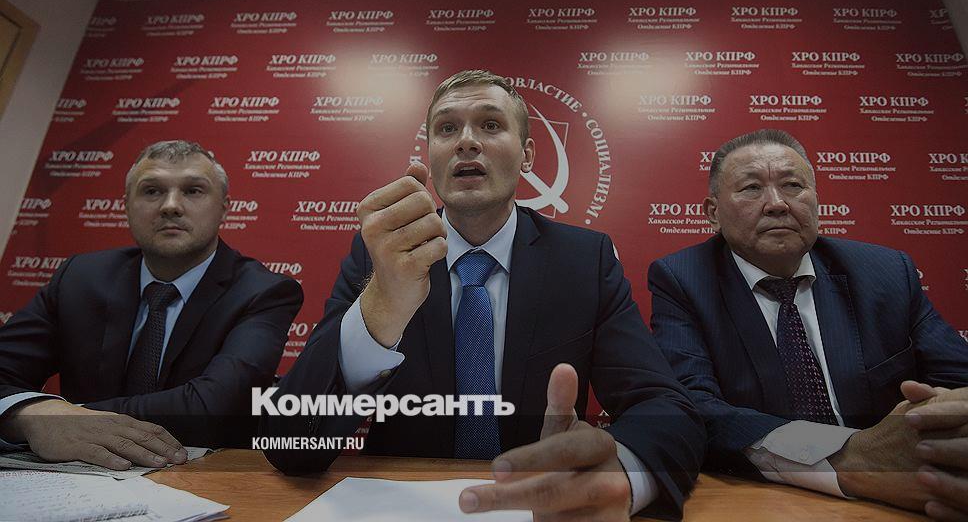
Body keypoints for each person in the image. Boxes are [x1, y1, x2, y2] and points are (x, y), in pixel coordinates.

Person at [261, 70, 705, 520]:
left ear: (527, 155)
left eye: (490, 125)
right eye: (447, 128)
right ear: (430, 156)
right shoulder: (382, 255)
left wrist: (620, 475)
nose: (466, 142)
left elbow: (665, 407)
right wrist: (380, 311)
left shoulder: (584, 261)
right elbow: (291, 442)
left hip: (543, 511)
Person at [647, 128, 968, 519]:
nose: (777, 204)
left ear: (816, 199)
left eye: (793, 185)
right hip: (765, 502)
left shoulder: (886, 272)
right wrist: (852, 457)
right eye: (751, 188)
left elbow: (959, 379)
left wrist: (943, 418)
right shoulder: (683, 279)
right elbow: (693, 406)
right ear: (712, 212)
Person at [0, 140, 303, 470]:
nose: (171, 206)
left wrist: (64, 419)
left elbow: (215, 406)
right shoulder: (79, 278)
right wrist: (30, 415)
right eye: (152, 191)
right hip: (78, 479)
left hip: (206, 478)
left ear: (224, 209)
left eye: (193, 191)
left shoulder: (263, 292)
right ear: (126, 207)